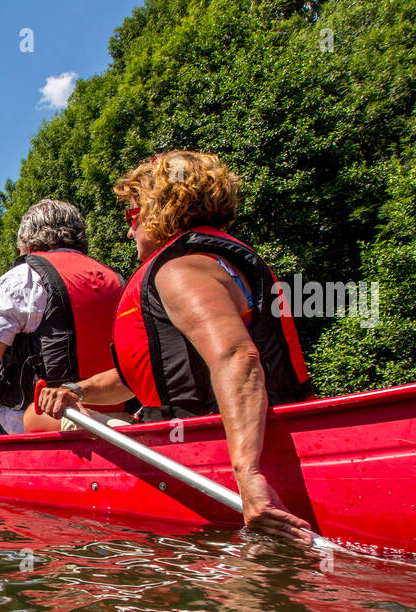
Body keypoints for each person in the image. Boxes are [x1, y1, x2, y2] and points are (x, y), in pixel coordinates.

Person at [34, 150, 317, 542]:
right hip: (216, 436)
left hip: (210, 451)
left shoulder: (182, 269)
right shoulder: (210, 258)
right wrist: (76, 391)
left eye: (133, 216)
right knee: (67, 414)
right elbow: (142, 380)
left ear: (162, 209)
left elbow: (237, 357)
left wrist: (249, 476)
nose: (129, 231)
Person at [0, 198, 124, 437]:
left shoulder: (27, 274)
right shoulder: (115, 279)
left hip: (40, 419)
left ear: (29, 244)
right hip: (109, 416)